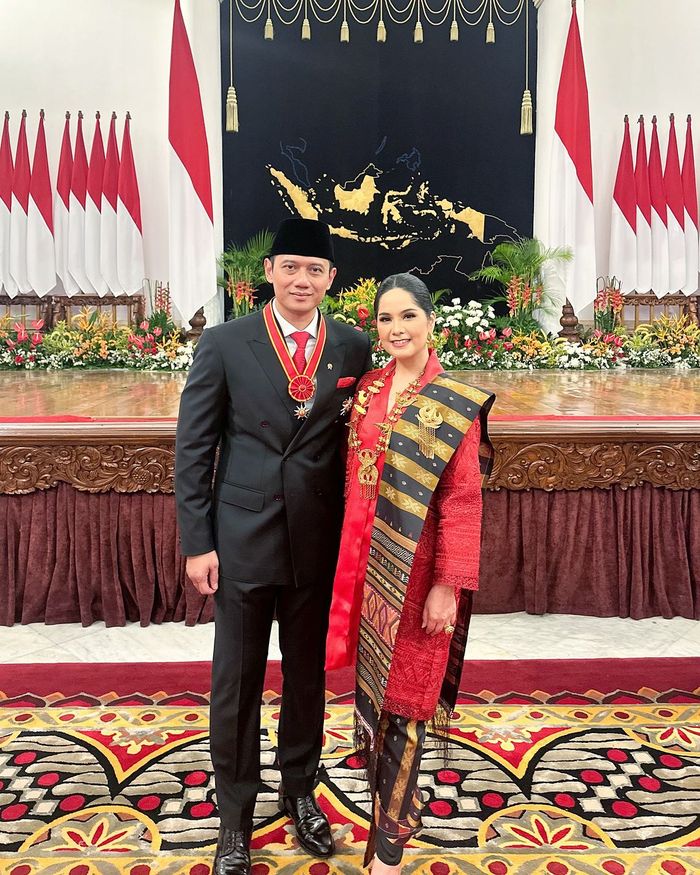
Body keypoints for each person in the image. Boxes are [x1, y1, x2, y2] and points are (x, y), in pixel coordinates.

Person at [175, 218, 372, 875]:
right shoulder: (226, 343)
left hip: (316, 540)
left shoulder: (353, 346)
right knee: (236, 681)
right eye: (290, 267)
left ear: (331, 278)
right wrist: (198, 541)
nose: (301, 280)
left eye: (314, 270)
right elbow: (193, 448)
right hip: (241, 540)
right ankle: (234, 816)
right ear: (269, 272)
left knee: (307, 677)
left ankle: (299, 790)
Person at [325, 273, 495, 873]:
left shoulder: (453, 402)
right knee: (372, 701)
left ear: (430, 321)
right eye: (386, 319)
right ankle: (391, 812)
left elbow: (462, 501)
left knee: (404, 704)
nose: (396, 329)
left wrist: (448, 586)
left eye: (408, 317)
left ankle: (389, 845)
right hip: (362, 566)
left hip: (418, 573)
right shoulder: (367, 389)